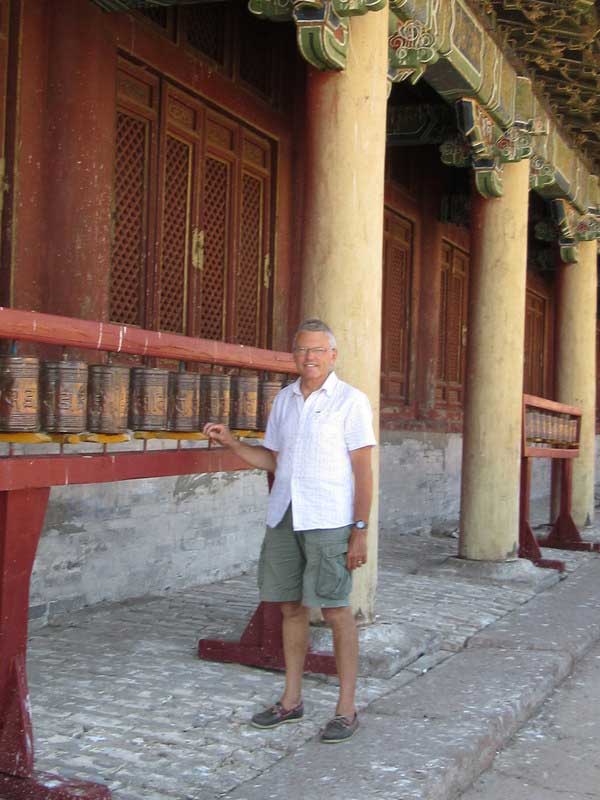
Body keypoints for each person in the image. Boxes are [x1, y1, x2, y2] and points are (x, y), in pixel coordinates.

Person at [203, 318, 376, 743]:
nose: (309, 357)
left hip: (329, 520)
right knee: (290, 608)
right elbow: (274, 460)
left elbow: (363, 470)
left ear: (332, 356)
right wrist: (233, 443)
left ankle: (346, 708)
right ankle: (291, 700)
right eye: (301, 350)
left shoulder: (351, 402)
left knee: (335, 611)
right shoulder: (284, 400)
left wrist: (359, 530)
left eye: (317, 350)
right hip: (285, 516)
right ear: (294, 356)